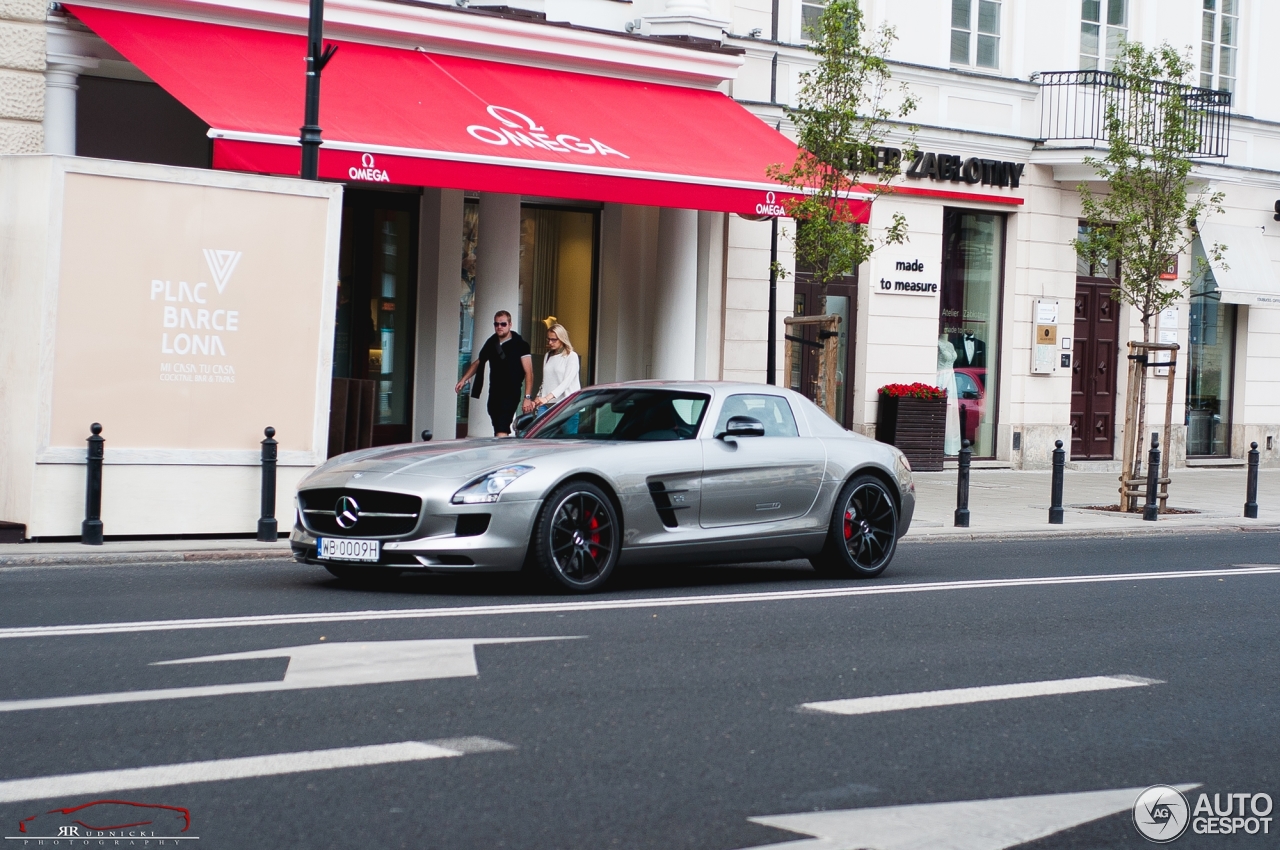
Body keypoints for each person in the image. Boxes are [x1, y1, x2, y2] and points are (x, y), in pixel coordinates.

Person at [454, 310, 534, 437]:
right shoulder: (491, 342)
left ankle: (499, 454)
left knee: (502, 425)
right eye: (496, 324)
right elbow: (479, 362)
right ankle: (504, 451)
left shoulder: (520, 345)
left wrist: (527, 398)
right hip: (494, 392)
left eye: (503, 324)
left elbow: (529, 372)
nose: (499, 327)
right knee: (498, 425)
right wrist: (463, 380)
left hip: (511, 392)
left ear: (510, 324)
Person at [534, 322, 581, 415]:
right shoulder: (548, 355)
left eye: (554, 339)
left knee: (568, 430)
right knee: (540, 429)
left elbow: (566, 382)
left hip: (567, 404)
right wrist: (538, 396)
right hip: (546, 404)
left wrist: (547, 397)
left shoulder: (571, 356)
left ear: (562, 339)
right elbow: (545, 380)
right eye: (548, 339)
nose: (550, 342)